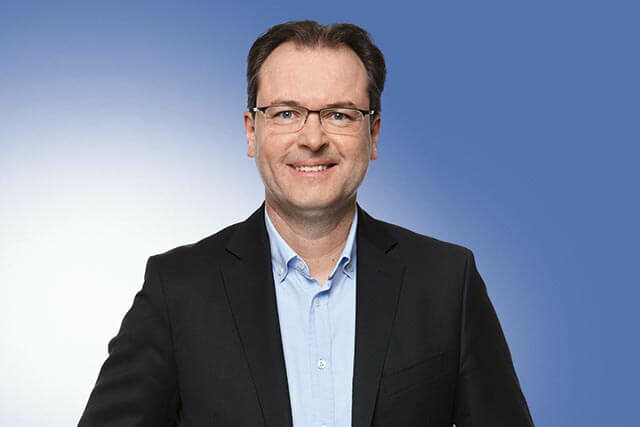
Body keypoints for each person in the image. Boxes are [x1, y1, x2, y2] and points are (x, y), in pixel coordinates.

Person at [79, 20, 533, 427]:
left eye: (339, 114)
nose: (312, 138)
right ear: (251, 132)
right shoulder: (177, 290)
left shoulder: (447, 282)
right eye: (286, 113)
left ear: (373, 134)